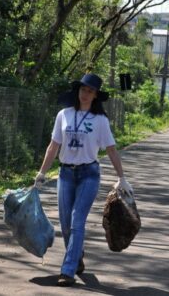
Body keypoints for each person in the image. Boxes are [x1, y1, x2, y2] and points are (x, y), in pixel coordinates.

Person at [34, 73, 133, 287]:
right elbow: (53, 146)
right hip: (65, 174)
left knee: (78, 222)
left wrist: (122, 178)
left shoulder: (100, 120)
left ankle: (67, 270)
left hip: (89, 174)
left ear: (96, 95)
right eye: (83, 90)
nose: (85, 94)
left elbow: (111, 150)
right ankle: (76, 257)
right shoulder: (64, 114)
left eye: (90, 91)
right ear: (77, 91)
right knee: (66, 224)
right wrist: (42, 173)